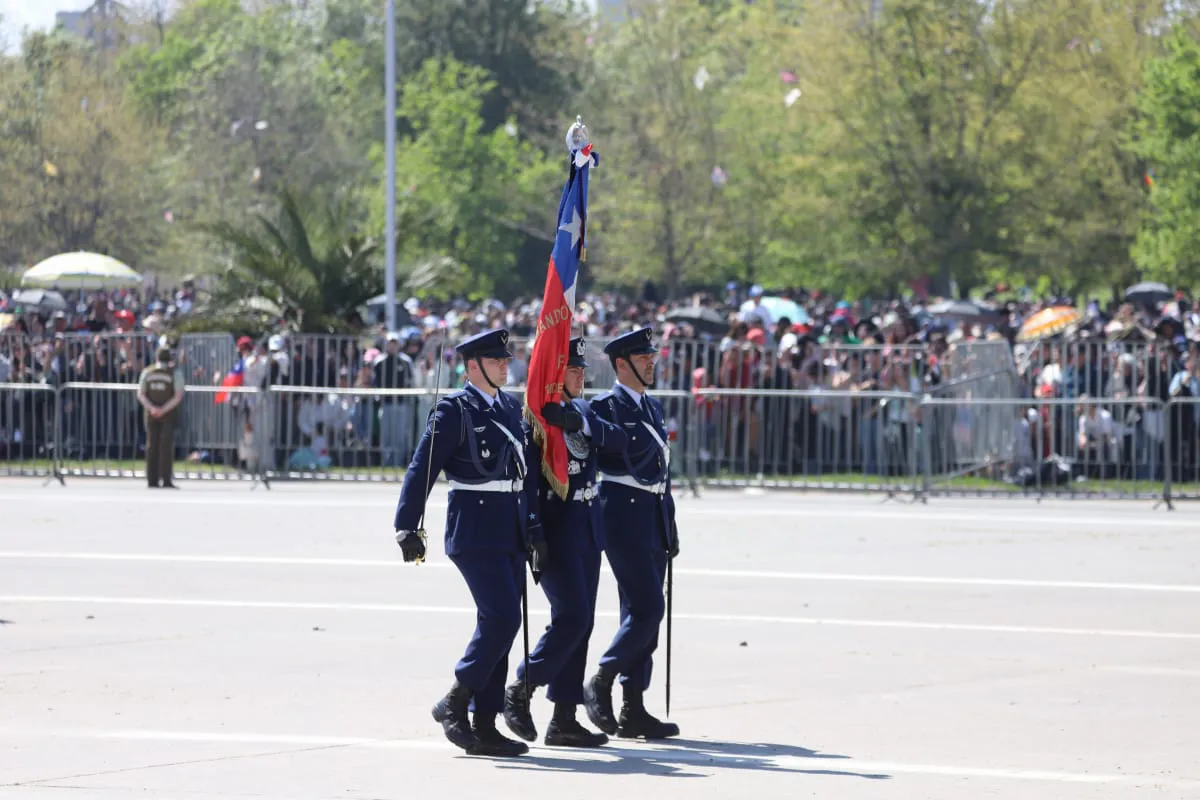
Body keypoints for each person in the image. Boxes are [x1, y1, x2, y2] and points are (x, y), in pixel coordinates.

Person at [392, 328, 546, 758]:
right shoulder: (454, 410)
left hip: (511, 527)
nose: (506, 365)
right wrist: (407, 525)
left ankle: (485, 722)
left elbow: (528, 476)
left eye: (505, 359)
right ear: (472, 366)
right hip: (474, 527)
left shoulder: (512, 409)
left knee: (502, 623)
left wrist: (535, 530)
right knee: (500, 619)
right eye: (497, 360)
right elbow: (422, 467)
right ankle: (455, 702)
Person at [502, 337, 627, 748]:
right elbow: (529, 485)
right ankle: (522, 687)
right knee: (571, 617)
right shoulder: (534, 422)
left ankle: (564, 718)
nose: (582, 375)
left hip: (588, 529)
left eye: (581, 369)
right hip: (555, 532)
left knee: (583, 623)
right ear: (555, 375)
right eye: (573, 369)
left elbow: (619, 440)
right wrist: (534, 534)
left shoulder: (581, 411)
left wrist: (581, 423)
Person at [582, 327, 681, 740]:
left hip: (652, 514)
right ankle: (602, 678)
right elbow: (602, 446)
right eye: (643, 359)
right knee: (646, 609)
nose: (651, 363)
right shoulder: (604, 406)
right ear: (621, 364)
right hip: (621, 511)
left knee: (641, 617)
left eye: (652, 357)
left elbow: (662, 471)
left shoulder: (652, 408)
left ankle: (633, 706)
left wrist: (669, 525)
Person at [136, 346, 184, 489]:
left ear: (156, 358)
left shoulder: (147, 372)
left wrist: (151, 408)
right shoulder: (174, 373)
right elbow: (178, 395)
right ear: (170, 359)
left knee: (151, 446)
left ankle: (152, 480)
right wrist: (163, 409)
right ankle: (166, 479)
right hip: (167, 414)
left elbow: (141, 393)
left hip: (150, 414)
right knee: (166, 446)